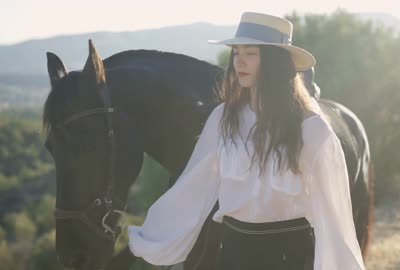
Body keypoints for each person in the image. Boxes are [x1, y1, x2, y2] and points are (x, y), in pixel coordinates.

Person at [128, 11, 365, 270]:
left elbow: (334, 216)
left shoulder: (312, 129)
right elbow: (192, 187)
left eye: (250, 54)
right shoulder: (223, 119)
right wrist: (149, 239)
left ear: (275, 61)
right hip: (232, 255)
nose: (240, 62)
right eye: (236, 53)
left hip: (290, 258)